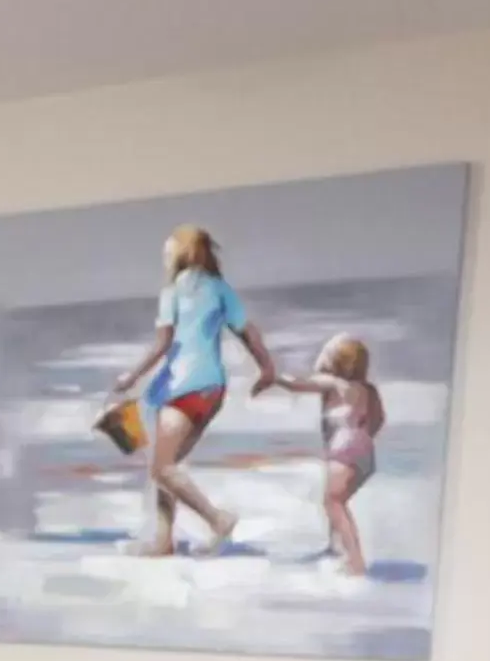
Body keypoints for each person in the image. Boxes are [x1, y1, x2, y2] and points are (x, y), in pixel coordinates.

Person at [107, 225, 282, 557]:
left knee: (161, 468)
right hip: (212, 389)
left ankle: (218, 520)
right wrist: (267, 368)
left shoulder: (173, 292)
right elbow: (248, 332)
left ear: (181, 254)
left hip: (182, 388)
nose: (164, 258)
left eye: (167, 251)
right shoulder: (220, 289)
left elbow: (163, 344)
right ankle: (163, 541)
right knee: (166, 465)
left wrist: (131, 376)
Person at [271, 334, 385, 578]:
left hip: (344, 449)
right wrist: (362, 437)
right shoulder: (369, 390)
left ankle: (356, 561)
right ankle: (336, 548)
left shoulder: (334, 383)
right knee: (338, 500)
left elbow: (296, 384)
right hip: (365, 450)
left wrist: (272, 377)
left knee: (334, 503)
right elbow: (378, 420)